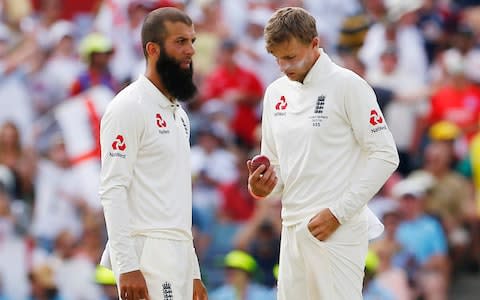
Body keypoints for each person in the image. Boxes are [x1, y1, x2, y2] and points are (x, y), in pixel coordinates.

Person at [247, 7, 399, 299]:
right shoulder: (275, 93)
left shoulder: (348, 85)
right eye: (277, 58)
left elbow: (385, 155)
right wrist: (262, 185)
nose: (284, 66)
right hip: (291, 229)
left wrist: (338, 214)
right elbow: (277, 172)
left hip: (337, 230)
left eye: (290, 57)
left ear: (314, 43)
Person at [99, 7, 207, 300]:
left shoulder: (179, 116)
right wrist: (127, 266)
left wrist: (193, 272)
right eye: (180, 42)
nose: (190, 51)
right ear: (153, 49)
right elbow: (112, 189)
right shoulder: (128, 107)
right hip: (146, 258)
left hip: (179, 256)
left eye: (192, 42)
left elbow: (177, 200)